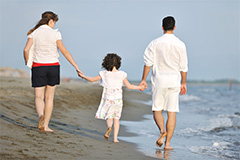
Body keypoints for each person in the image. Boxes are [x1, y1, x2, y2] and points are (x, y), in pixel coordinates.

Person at [23, 11, 82, 132]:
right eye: (54, 22)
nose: (54, 25)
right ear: (51, 21)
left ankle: (40, 116)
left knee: (39, 97)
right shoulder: (55, 34)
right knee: (49, 97)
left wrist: (27, 61)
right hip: (53, 67)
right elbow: (65, 52)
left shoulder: (34, 33)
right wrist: (76, 66)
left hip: (38, 66)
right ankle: (46, 126)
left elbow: (26, 49)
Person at [140, 16, 188, 150]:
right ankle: (167, 144)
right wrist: (183, 83)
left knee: (157, 110)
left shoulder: (154, 43)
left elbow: (148, 63)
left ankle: (162, 130)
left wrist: (143, 79)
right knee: (171, 112)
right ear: (174, 27)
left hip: (159, 81)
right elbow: (183, 67)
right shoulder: (180, 44)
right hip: (174, 81)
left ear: (162, 27)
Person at [78, 53, 144, 142]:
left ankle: (109, 128)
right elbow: (129, 86)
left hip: (108, 98)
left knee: (109, 116)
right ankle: (115, 138)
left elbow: (92, 79)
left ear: (106, 63)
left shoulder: (104, 74)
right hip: (118, 99)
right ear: (118, 63)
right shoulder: (122, 74)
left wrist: (83, 76)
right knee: (116, 118)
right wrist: (140, 87)